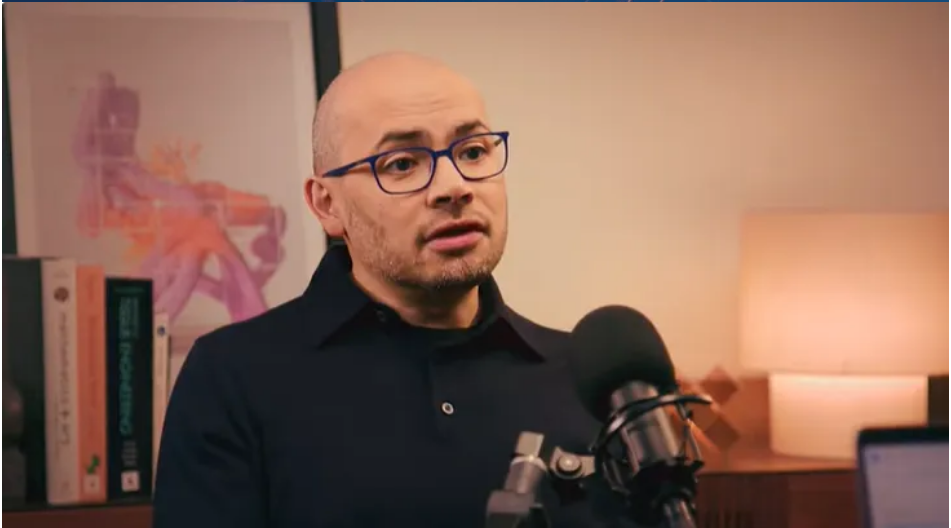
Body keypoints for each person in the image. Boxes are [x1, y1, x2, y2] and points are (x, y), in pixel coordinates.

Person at [153, 52, 632, 528]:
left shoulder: (591, 380)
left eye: (472, 152)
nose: (454, 187)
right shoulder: (234, 378)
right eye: (402, 163)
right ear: (327, 204)